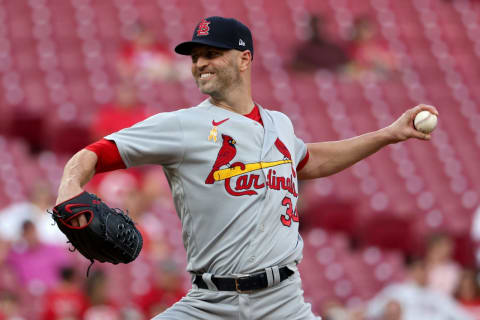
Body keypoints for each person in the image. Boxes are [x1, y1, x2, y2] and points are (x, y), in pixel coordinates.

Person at [55, 16, 438, 320]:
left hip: (283, 302)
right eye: (195, 56)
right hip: (209, 304)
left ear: (244, 58)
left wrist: (388, 134)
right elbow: (94, 153)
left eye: (212, 53)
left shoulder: (280, 125)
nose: (200, 63)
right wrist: (69, 188)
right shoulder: (182, 125)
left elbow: (310, 161)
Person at [366, 256, 473, 320]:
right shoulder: (397, 291)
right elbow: (371, 310)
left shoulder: (437, 294)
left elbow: (459, 314)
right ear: (411, 271)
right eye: (419, 269)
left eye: (425, 269)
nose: (423, 273)